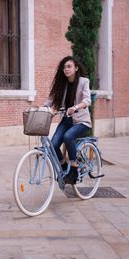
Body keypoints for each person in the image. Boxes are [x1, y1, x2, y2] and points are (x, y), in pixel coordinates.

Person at [46, 56, 92, 184]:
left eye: (69, 66)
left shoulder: (84, 81)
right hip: (66, 121)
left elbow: (87, 100)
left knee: (68, 137)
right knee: (53, 145)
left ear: (76, 68)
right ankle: (65, 167)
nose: (66, 69)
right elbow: (51, 100)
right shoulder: (62, 84)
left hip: (82, 122)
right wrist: (42, 109)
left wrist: (75, 107)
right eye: (64, 67)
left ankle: (74, 168)